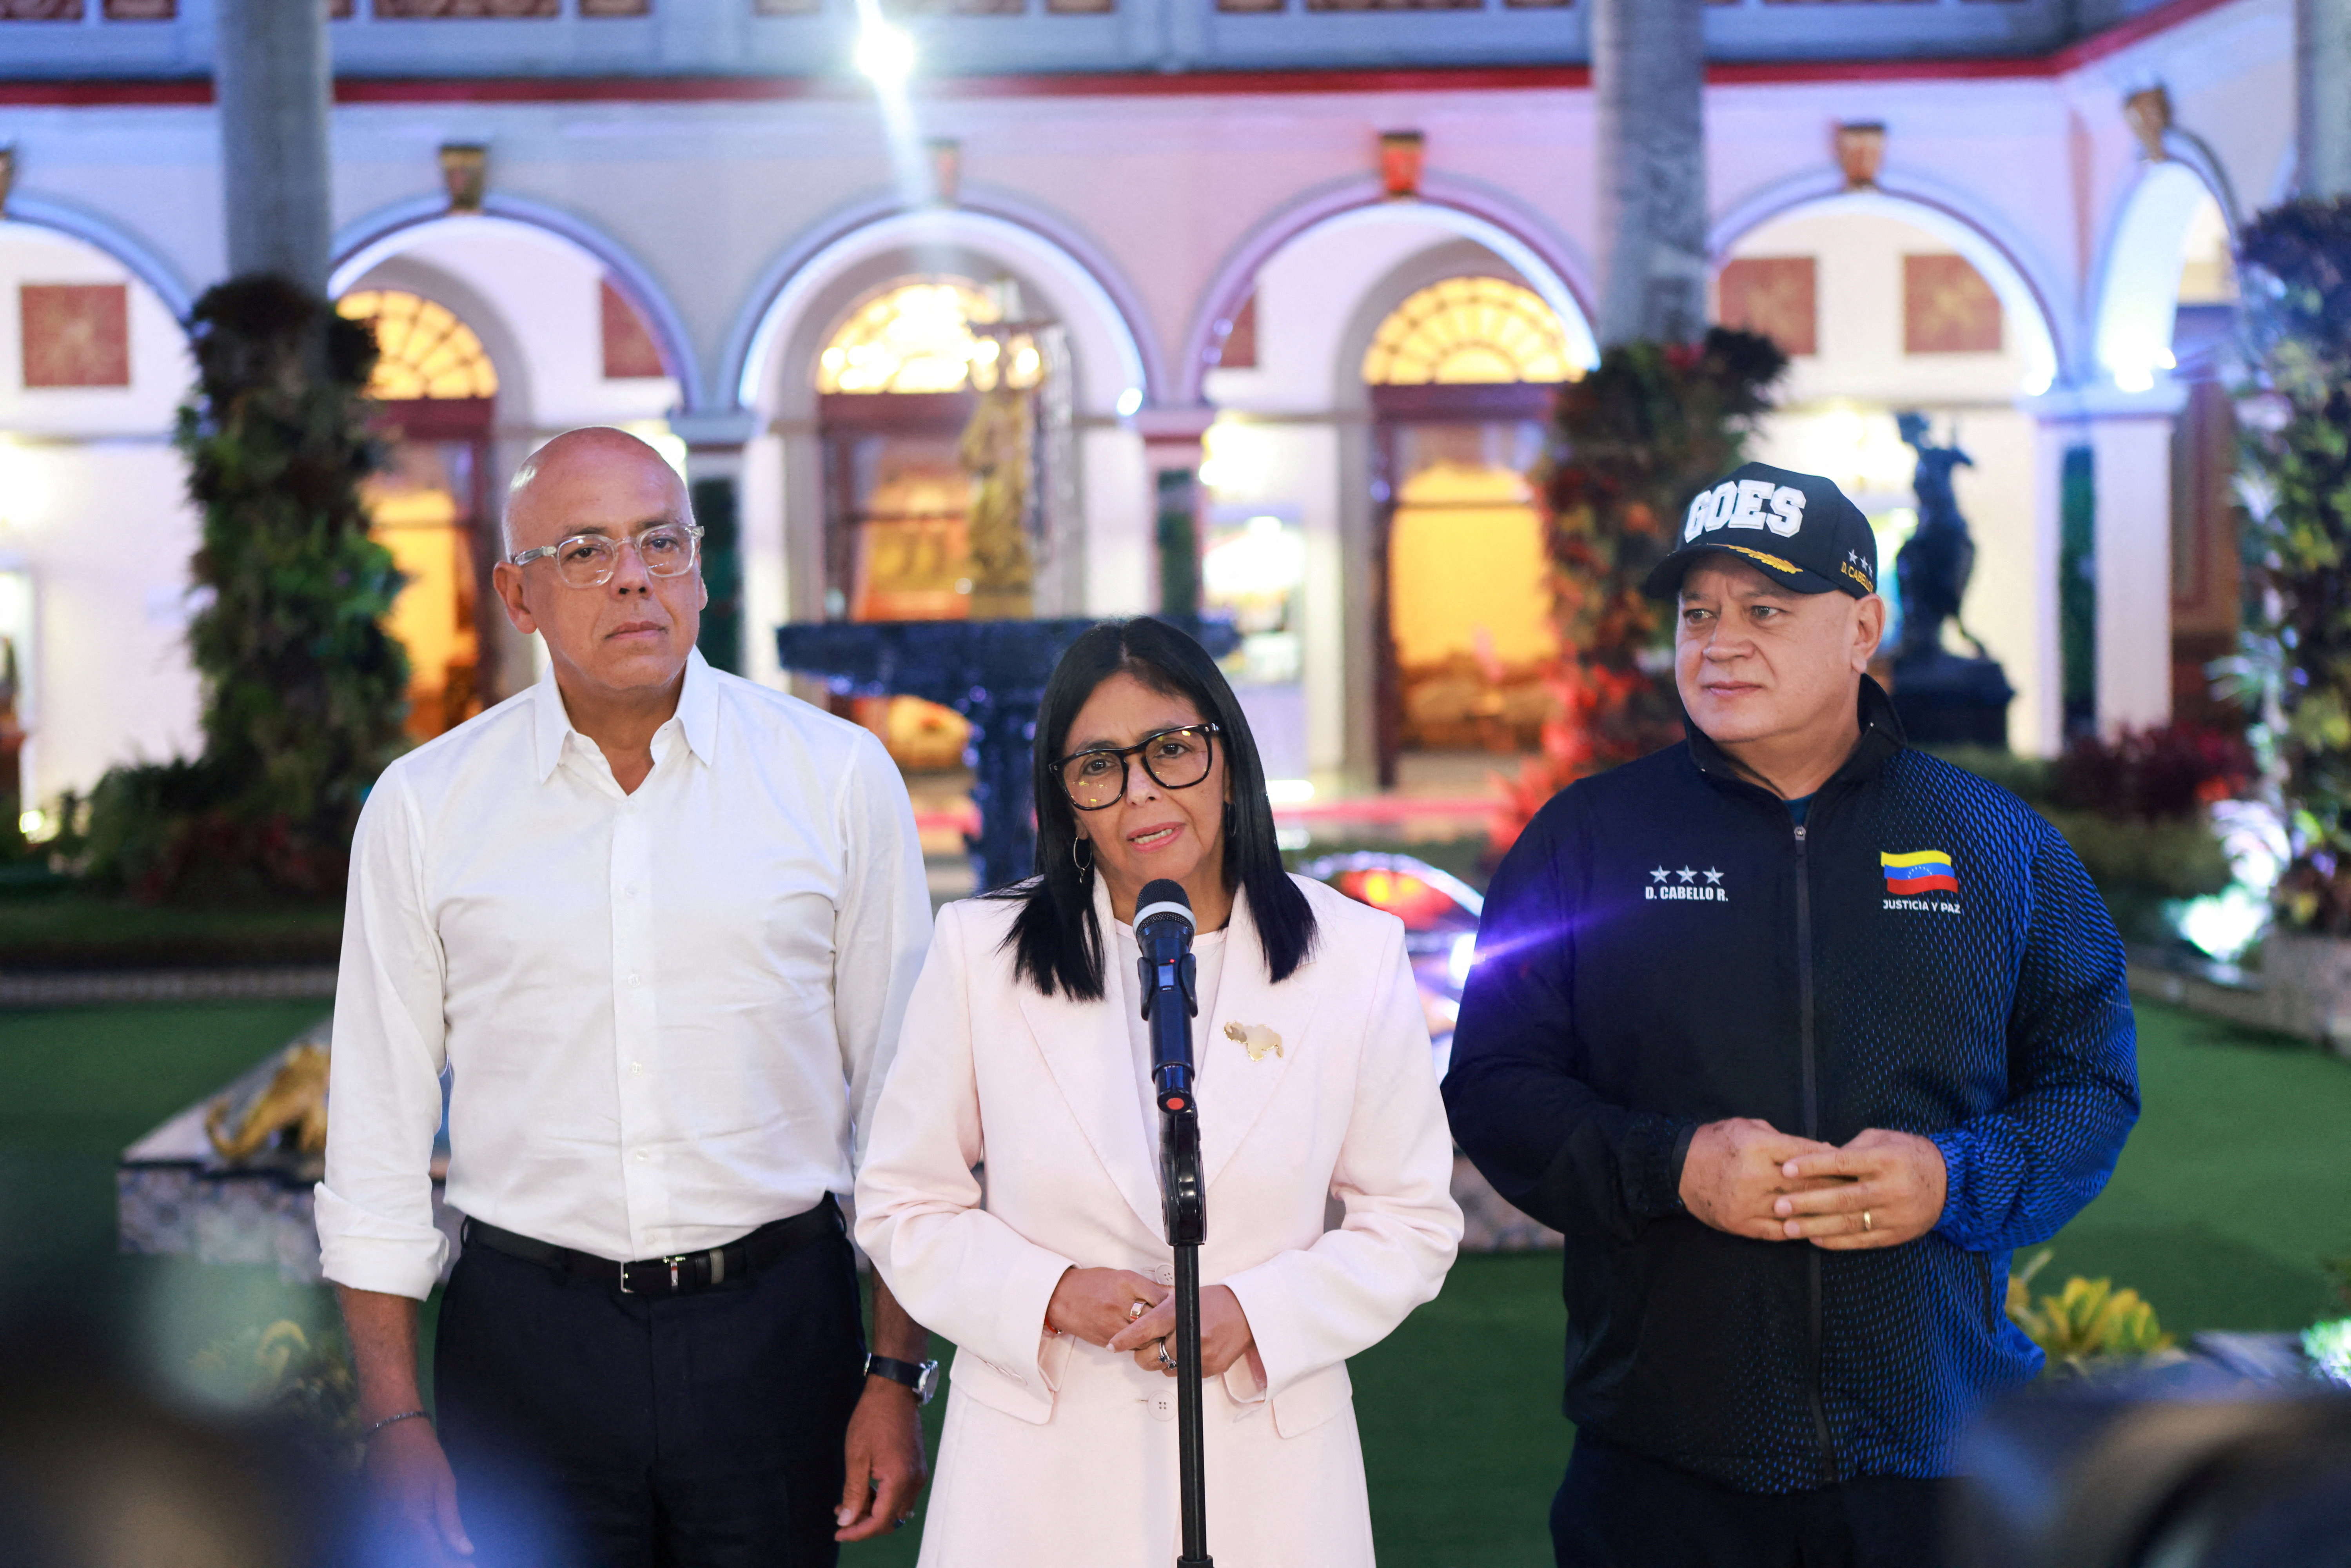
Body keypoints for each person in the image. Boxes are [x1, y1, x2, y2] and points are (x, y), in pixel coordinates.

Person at [1443, 462, 2139, 1568]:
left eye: (1764, 610)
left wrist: (1953, 1179)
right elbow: (1491, 1087)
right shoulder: (1585, 842)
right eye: (1697, 613)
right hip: (1663, 1462)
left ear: (1861, 627)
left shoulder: (1997, 845)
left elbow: (2090, 1084)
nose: (1718, 642)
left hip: (1937, 1460)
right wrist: (1670, 1166)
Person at [317, 427, 937, 1567]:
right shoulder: (424, 808)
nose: (634, 577)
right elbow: (375, 1136)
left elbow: (907, 1105)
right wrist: (395, 1416)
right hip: (527, 1342)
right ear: (519, 593)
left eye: (660, 541)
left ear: (700, 571)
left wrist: (893, 1371)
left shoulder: (835, 779)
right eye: (586, 551)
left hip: (776, 1327)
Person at [853, 616, 1462, 1566]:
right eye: (1098, 765)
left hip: (1268, 1478)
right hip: (1032, 1483)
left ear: (1226, 757)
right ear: (1067, 799)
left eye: (1170, 750)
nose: (1140, 790)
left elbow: (1411, 1221)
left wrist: (1257, 1312)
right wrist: (1050, 1293)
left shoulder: (1354, 954)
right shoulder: (982, 951)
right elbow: (903, 1201)